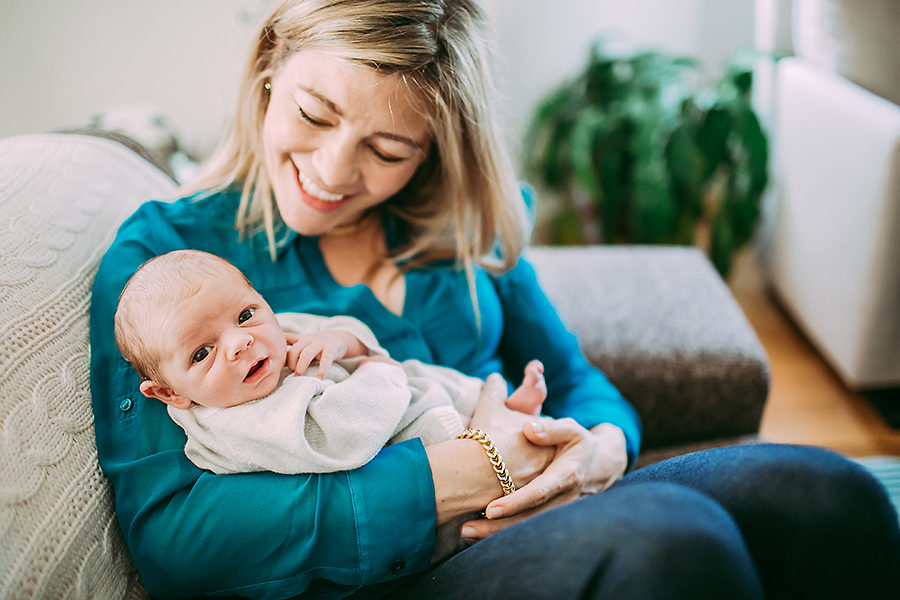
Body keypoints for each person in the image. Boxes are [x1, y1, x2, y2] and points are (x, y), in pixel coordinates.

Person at [89, 0, 900, 598]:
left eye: (388, 148)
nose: (335, 172)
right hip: (393, 577)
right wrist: (462, 472)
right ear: (268, 70)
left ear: (435, 150)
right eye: (314, 113)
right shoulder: (166, 265)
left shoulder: (465, 227)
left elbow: (582, 384)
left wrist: (602, 450)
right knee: (672, 547)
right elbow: (176, 539)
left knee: (831, 496)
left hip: (541, 504)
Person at [113, 248, 545, 476]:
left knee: (440, 381)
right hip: (434, 444)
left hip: (428, 401)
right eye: (202, 353)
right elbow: (341, 434)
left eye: (245, 314)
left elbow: (337, 329)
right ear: (169, 393)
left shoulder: (271, 331)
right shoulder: (240, 424)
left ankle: (510, 411)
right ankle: (510, 422)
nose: (240, 343)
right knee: (423, 388)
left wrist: (344, 341)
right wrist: (381, 370)